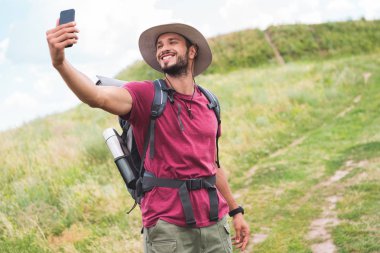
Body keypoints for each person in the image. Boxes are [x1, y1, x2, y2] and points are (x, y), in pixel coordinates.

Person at [46, 21, 250, 252]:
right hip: (167, 226)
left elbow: (212, 165)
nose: (164, 48)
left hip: (215, 222)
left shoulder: (210, 102)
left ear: (192, 51)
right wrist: (60, 62)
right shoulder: (146, 94)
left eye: (172, 42)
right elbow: (96, 96)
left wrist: (235, 211)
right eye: (160, 45)